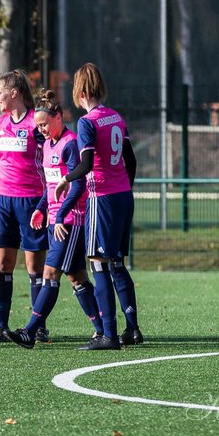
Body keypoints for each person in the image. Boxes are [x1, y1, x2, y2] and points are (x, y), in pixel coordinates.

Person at [54, 63, 141, 350]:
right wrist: (124, 187)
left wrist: (66, 178)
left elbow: (88, 164)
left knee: (97, 264)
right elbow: (131, 161)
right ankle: (132, 328)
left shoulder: (87, 122)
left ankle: (108, 335)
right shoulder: (115, 116)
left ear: (79, 91)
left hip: (101, 197)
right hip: (123, 195)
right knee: (117, 262)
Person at [8, 88, 105, 348]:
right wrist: (42, 208)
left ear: (58, 116)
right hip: (55, 220)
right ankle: (102, 328)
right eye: (37, 126)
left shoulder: (71, 143)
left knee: (50, 273)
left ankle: (30, 331)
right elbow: (51, 186)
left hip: (71, 220)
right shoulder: (49, 144)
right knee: (76, 277)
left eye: (44, 124)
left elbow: (78, 185)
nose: (41, 129)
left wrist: (61, 215)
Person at [0, 69, 47, 344]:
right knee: (3, 264)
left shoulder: (37, 123)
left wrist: (47, 203)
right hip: (4, 202)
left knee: (34, 267)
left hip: (32, 201)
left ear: (14, 93)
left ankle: (38, 326)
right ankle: (1, 325)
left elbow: (51, 158)